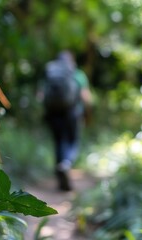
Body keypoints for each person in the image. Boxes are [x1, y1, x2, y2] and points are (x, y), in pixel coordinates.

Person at [43, 50, 92, 191]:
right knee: (72, 141)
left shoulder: (51, 73)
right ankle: (66, 163)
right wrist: (88, 113)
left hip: (53, 113)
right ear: (72, 61)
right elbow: (85, 97)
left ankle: (60, 177)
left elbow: (41, 95)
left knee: (58, 142)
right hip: (72, 113)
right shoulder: (77, 74)